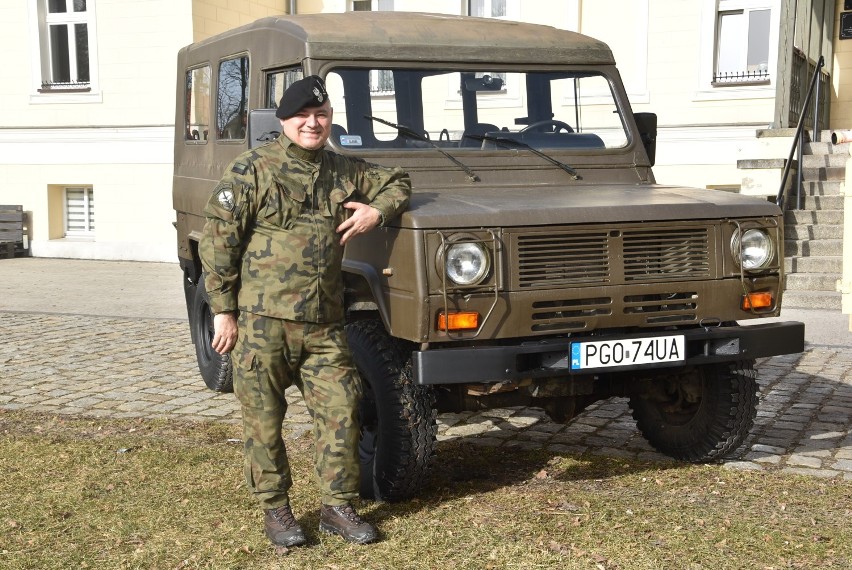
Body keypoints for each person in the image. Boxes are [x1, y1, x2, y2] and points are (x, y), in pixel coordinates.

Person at [199, 75, 411, 547]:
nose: (313, 123)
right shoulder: (253, 169)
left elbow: (397, 181)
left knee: (342, 411)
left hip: (325, 324)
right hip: (262, 323)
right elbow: (218, 244)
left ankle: (338, 505)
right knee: (263, 419)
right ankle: (277, 511)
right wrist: (223, 311)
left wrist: (376, 213)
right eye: (302, 116)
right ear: (284, 121)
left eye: (321, 115)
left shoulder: (342, 170)